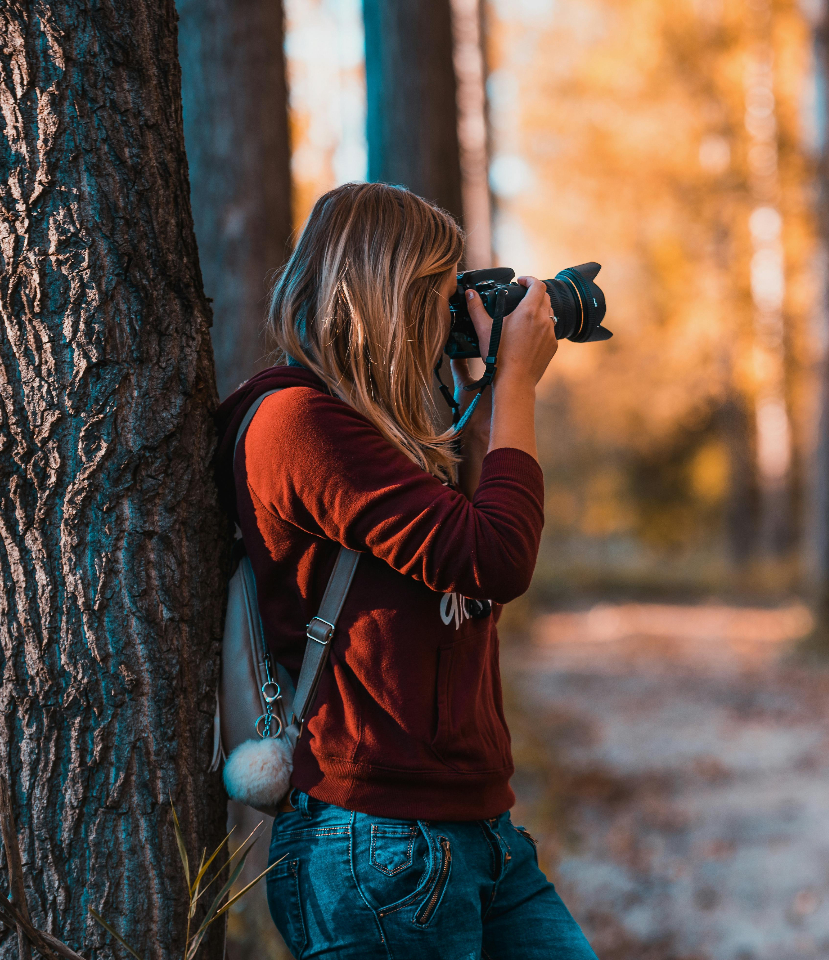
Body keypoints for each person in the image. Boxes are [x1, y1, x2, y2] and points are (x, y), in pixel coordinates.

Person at [213, 182, 596, 959]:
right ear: (393, 295)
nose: (452, 310)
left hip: (475, 831)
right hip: (376, 844)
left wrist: (482, 399)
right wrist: (516, 382)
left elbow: (472, 571)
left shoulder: (383, 433)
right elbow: (498, 557)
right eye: (441, 291)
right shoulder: (299, 422)